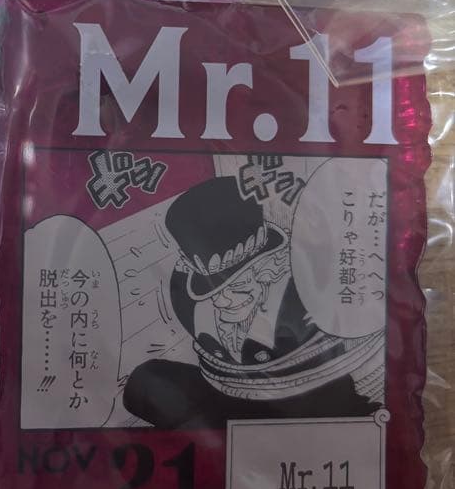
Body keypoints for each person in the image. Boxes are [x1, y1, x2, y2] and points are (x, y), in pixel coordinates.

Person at [123, 176, 378, 428]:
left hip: (308, 396)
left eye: (238, 285)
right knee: (145, 382)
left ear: (268, 270)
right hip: (230, 395)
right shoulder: (189, 303)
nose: (222, 301)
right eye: (212, 290)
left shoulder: (305, 292)